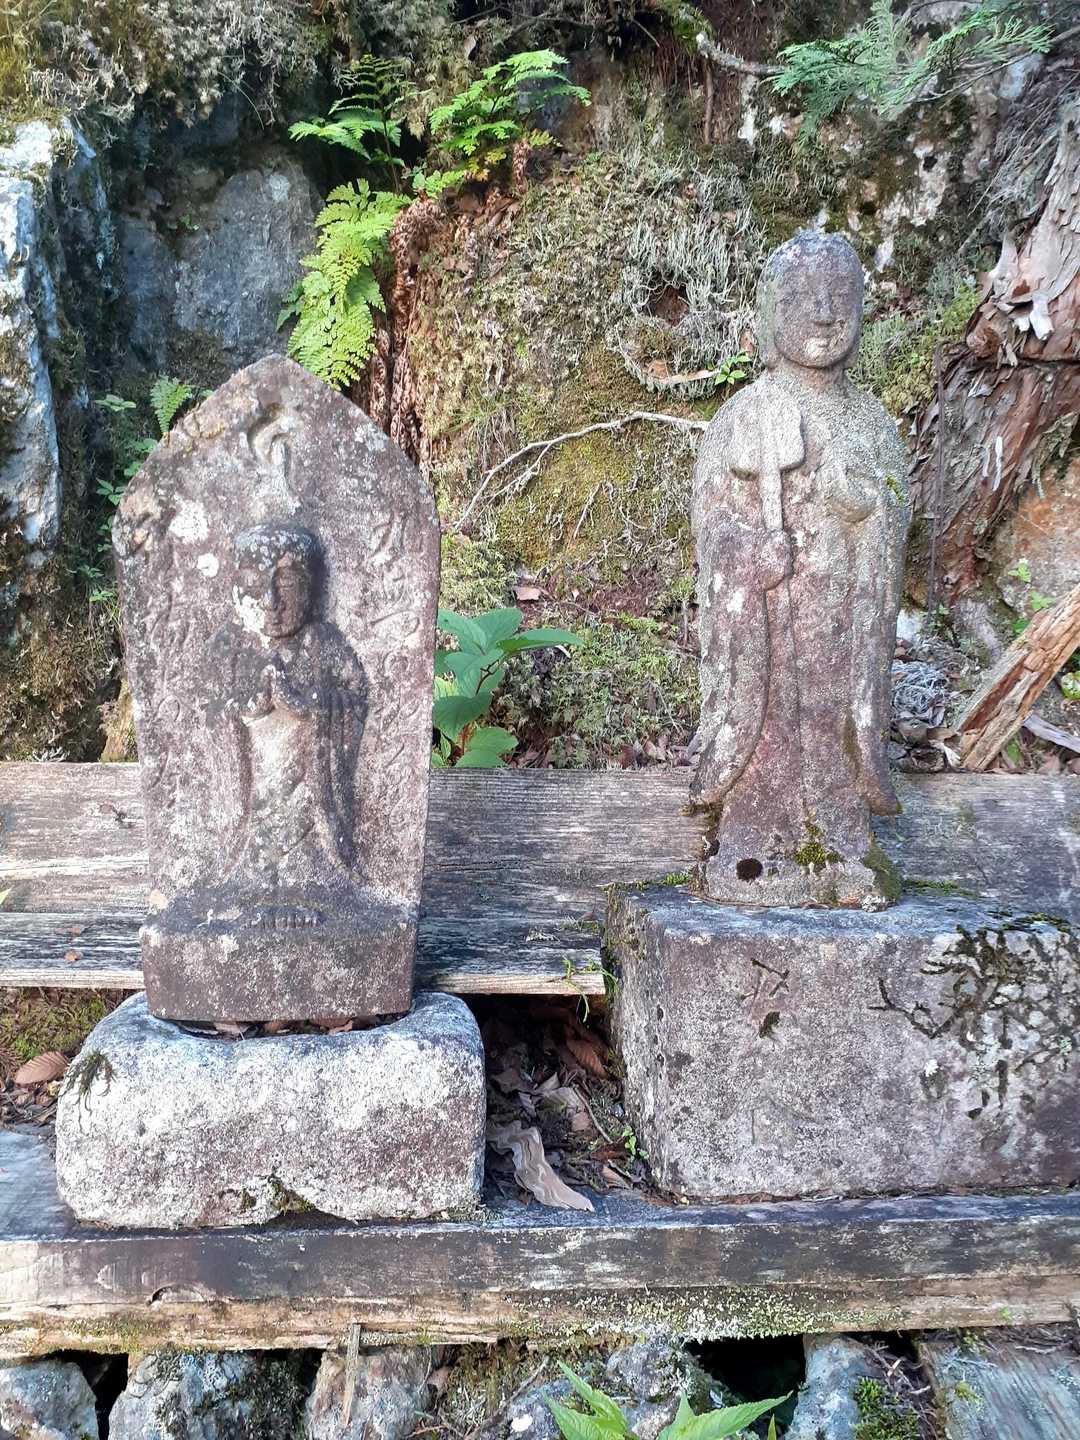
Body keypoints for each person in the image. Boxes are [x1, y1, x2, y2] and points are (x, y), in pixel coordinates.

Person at [691, 230, 910, 905]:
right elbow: (711, 528)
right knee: (772, 730)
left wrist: (870, 510)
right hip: (767, 621)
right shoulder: (742, 418)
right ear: (770, 313)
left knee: (835, 725)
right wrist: (747, 557)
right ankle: (752, 845)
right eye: (804, 297)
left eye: (840, 296)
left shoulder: (871, 423)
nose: (823, 311)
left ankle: (843, 847)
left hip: (842, 618)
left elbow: (896, 513)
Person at [207, 522, 367, 926]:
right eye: (254, 585)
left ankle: (311, 888)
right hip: (255, 788)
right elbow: (209, 713)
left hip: (309, 789)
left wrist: (310, 704)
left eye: (288, 585)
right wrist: (248, 708)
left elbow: (355, 695)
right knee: (254, 843)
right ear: (237, 589)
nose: (271, 601)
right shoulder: (231, 645)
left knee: (309, 846)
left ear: (310, 589)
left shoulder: (322, 642)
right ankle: (250, 890)